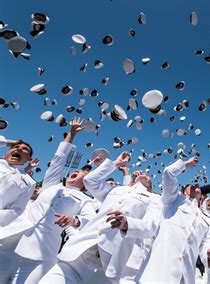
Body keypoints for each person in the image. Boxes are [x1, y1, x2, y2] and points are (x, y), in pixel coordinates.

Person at [39, 150, 162, 283]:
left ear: (151, 188)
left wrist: (127, 223)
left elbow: (152, 226)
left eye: (148, 176)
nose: (144, 174)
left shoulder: (155, 198)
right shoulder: (116, 190)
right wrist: (116, 163)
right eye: (141, 173)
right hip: (78, 255)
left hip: (109, 264)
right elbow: (89, 180)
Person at [1, 119, 96, 284]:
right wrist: (71, 135)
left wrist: (74, 220)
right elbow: (59, 160)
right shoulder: (52, 185)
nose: (78, 171)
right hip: (13, 242)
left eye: (82, 172)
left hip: (42, 255)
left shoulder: (86, 200)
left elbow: (90, 220)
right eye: (78, 169)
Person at [136, 157, 210, 283]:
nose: (196, 186)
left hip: (185, 278)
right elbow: (168, 173)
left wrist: (209, 254)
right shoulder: (172, 201)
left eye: (197, 186)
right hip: (158, 275)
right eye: (191, 186)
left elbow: (204, 245)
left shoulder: (205, 220)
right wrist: (185, 164)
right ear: (184, 192)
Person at [0, 135, 36, 226]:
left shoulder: (29, 182)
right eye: (15, 147)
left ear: (29, 159)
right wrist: (8, 143)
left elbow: (16, 210)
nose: (19, 149)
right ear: (6, 153)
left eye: (24, 149)